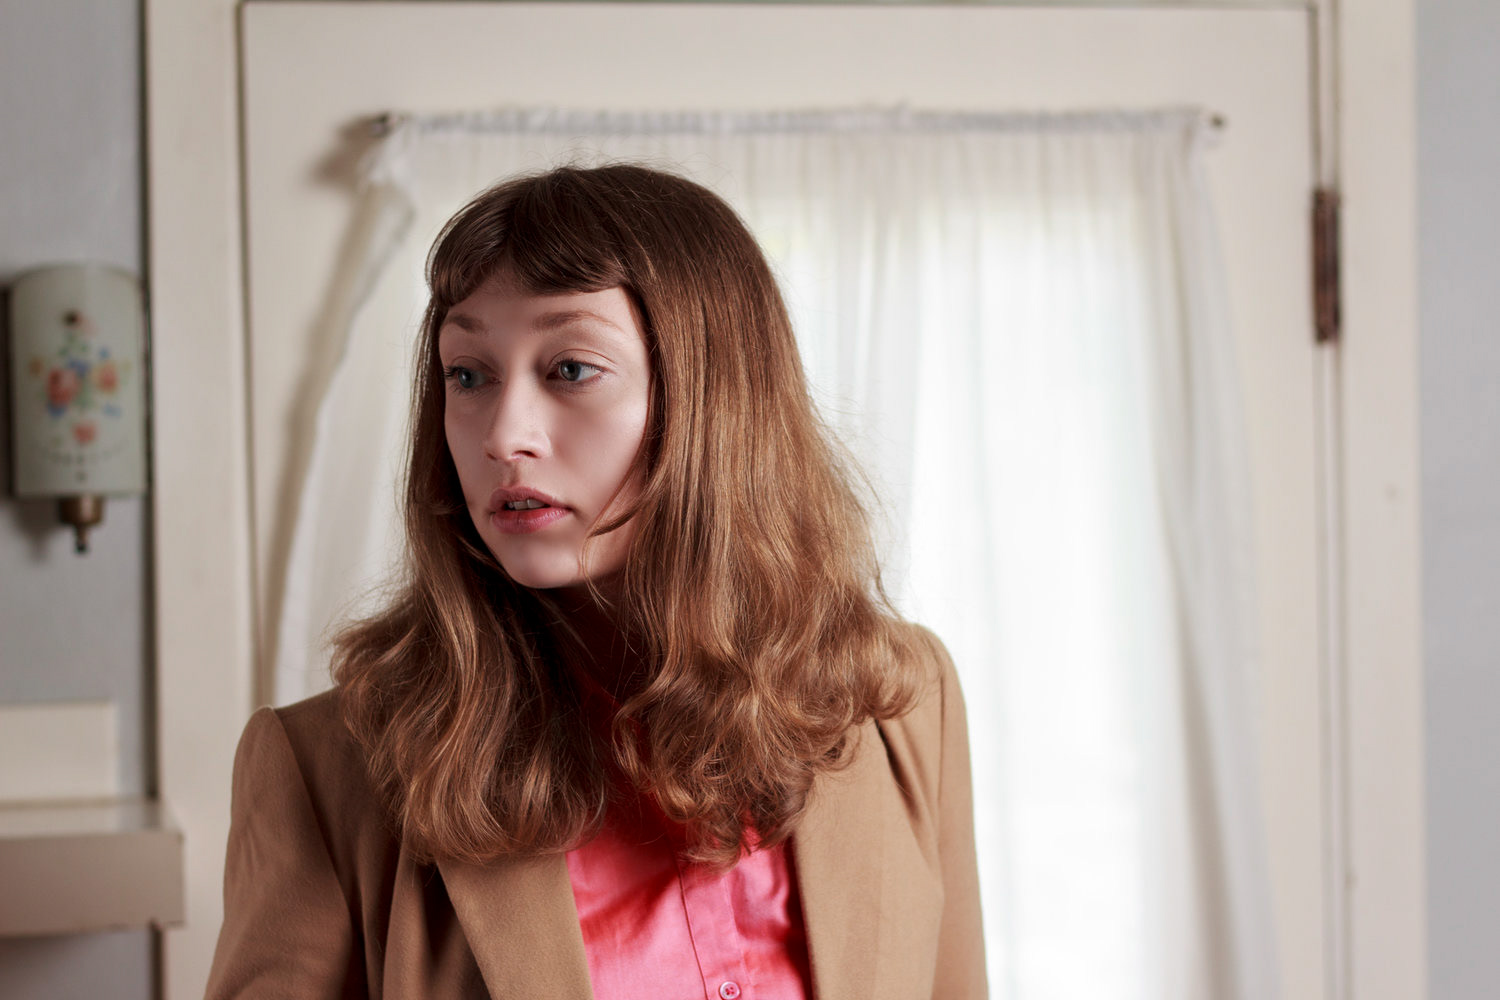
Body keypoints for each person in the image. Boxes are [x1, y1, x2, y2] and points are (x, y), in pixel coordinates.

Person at [205, 163, 986, 999]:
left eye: (570, 369)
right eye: (468, 374)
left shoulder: (907, 703)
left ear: (714, 403)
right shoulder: (325, 772)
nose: (503, 435)